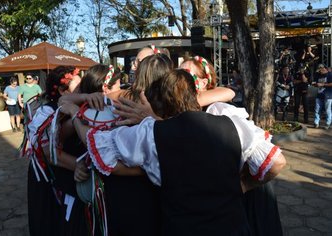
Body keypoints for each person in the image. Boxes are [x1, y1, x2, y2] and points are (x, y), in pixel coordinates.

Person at [60, 69, 286, 236]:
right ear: (195, 95)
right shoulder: (232, 123)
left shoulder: (153, 134)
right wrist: (244, 185)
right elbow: (276, 163)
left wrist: (76, 116)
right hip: (234, 229)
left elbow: (98, 145)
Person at [26, 66, 89, 235]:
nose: (83, 91)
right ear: (62, 90)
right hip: (48, 180)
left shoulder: (72, 109)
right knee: (50, 222)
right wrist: (78, 165)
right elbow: (47, 151)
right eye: (79, 87)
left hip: (64, 177)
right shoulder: (47, 112)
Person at [312, 64, 332, 130]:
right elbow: (314, 83)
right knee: (317, 109)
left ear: (325, 69)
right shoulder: (318, 75)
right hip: (319, 94)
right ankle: (316, 122)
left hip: (328, 95)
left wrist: (322, 84)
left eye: (322, 68)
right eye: (319, 68)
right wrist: (315, 84)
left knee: (327, 110)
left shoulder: (330, 74)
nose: (320, 70)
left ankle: (328, 123)